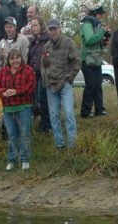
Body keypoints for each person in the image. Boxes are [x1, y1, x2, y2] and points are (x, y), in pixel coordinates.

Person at [42, 18, 81, 149]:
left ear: (60, 29)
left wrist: (69, 79)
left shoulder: (69, 43)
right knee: (54, 116)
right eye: (51, 29)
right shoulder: (46, 47)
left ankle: (72, 145)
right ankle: (59, 145)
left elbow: (77, 61)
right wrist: (45, 77)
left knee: (69, 113)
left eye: (55, 29)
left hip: (65, 85)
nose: (53, 32)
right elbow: (43, 65)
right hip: (51, 86)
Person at [0, 48, 36, 170]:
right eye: (12, 58)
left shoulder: (28, 70)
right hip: (8, 108)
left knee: (24, 134)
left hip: (24, 106)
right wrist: (3, 92)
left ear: (21, 58)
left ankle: (25, 159)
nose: (15, 61)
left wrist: (17, 91)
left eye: (17, 58)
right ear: (8, 60)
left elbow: (32, 86)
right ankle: (11, 160)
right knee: (11, 135)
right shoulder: (2, 72)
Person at [79, 4, 110, 118]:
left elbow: (96, 40)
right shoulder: (87, 24)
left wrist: (104, 40)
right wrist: (102, 32)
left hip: (95, 58)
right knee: (91, 85)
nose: (101, 16)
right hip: (87, 60)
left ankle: (99, 109)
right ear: (95, 14)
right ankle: (85, 111)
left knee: (98, 84)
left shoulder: (96, 24)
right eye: (100, 14)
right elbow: (89, 40)